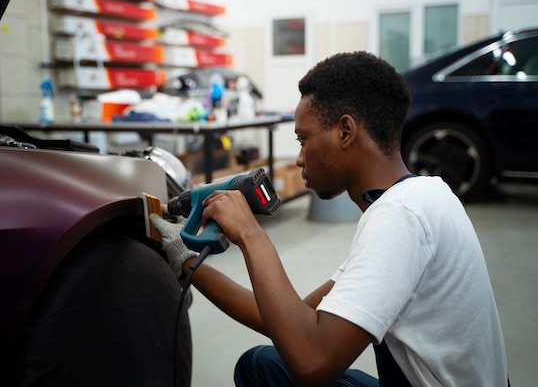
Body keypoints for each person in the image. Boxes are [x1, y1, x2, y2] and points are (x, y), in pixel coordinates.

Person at [150, 51, 508, 387]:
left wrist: (250, 233)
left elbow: (313, 360)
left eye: (303, 139)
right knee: (260, 363)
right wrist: (184, 257)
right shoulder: (425, 194)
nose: (301, 158)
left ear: (345, 131)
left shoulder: (400, 217)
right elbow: (289, 318)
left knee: (270, 368)